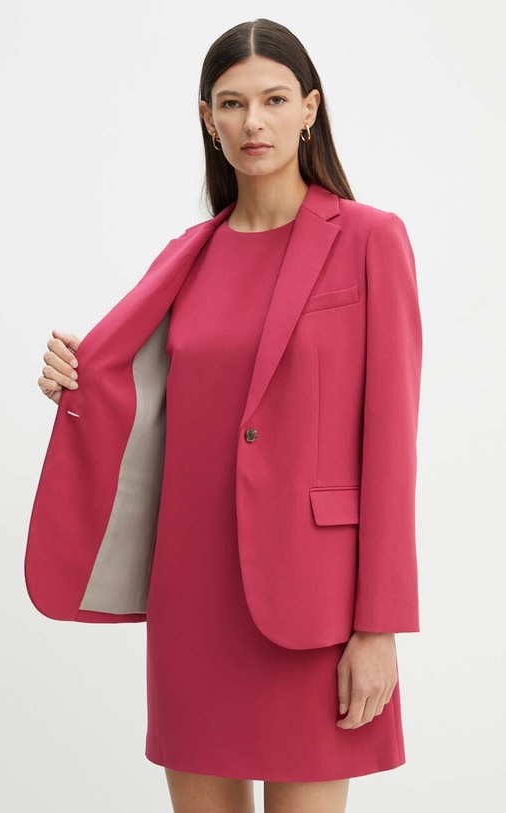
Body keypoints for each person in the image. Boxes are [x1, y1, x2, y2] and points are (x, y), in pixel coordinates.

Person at [33, 18, 423, 813]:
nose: (253, 122)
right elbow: (142, 397)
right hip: (193, 596)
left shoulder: (369, 240)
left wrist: (379, 627)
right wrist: (74, 379)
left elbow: (391, 443)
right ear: (206, 118)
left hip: (315, 606)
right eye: (232, 103)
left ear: (309, 108)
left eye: (274, 99)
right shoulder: (188, 254)